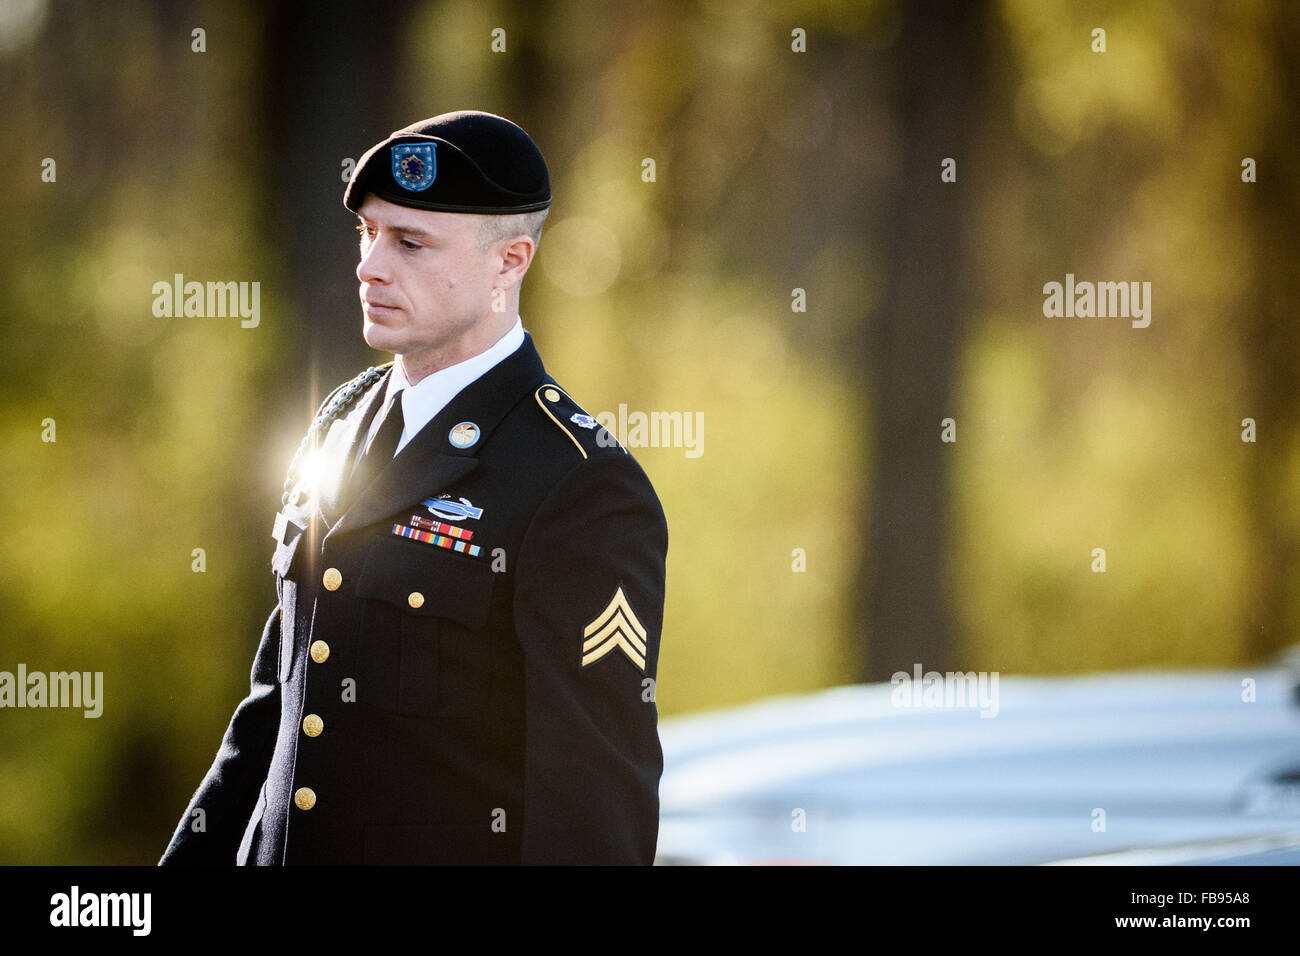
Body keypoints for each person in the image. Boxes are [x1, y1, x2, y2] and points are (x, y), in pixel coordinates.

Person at [159, 110, 668, 865]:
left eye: (410, 243)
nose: (370, 266)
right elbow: (277, 710)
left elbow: (592, 809)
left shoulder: (578, 484)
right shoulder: (337, 427)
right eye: (367, 233)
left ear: (510, 262)